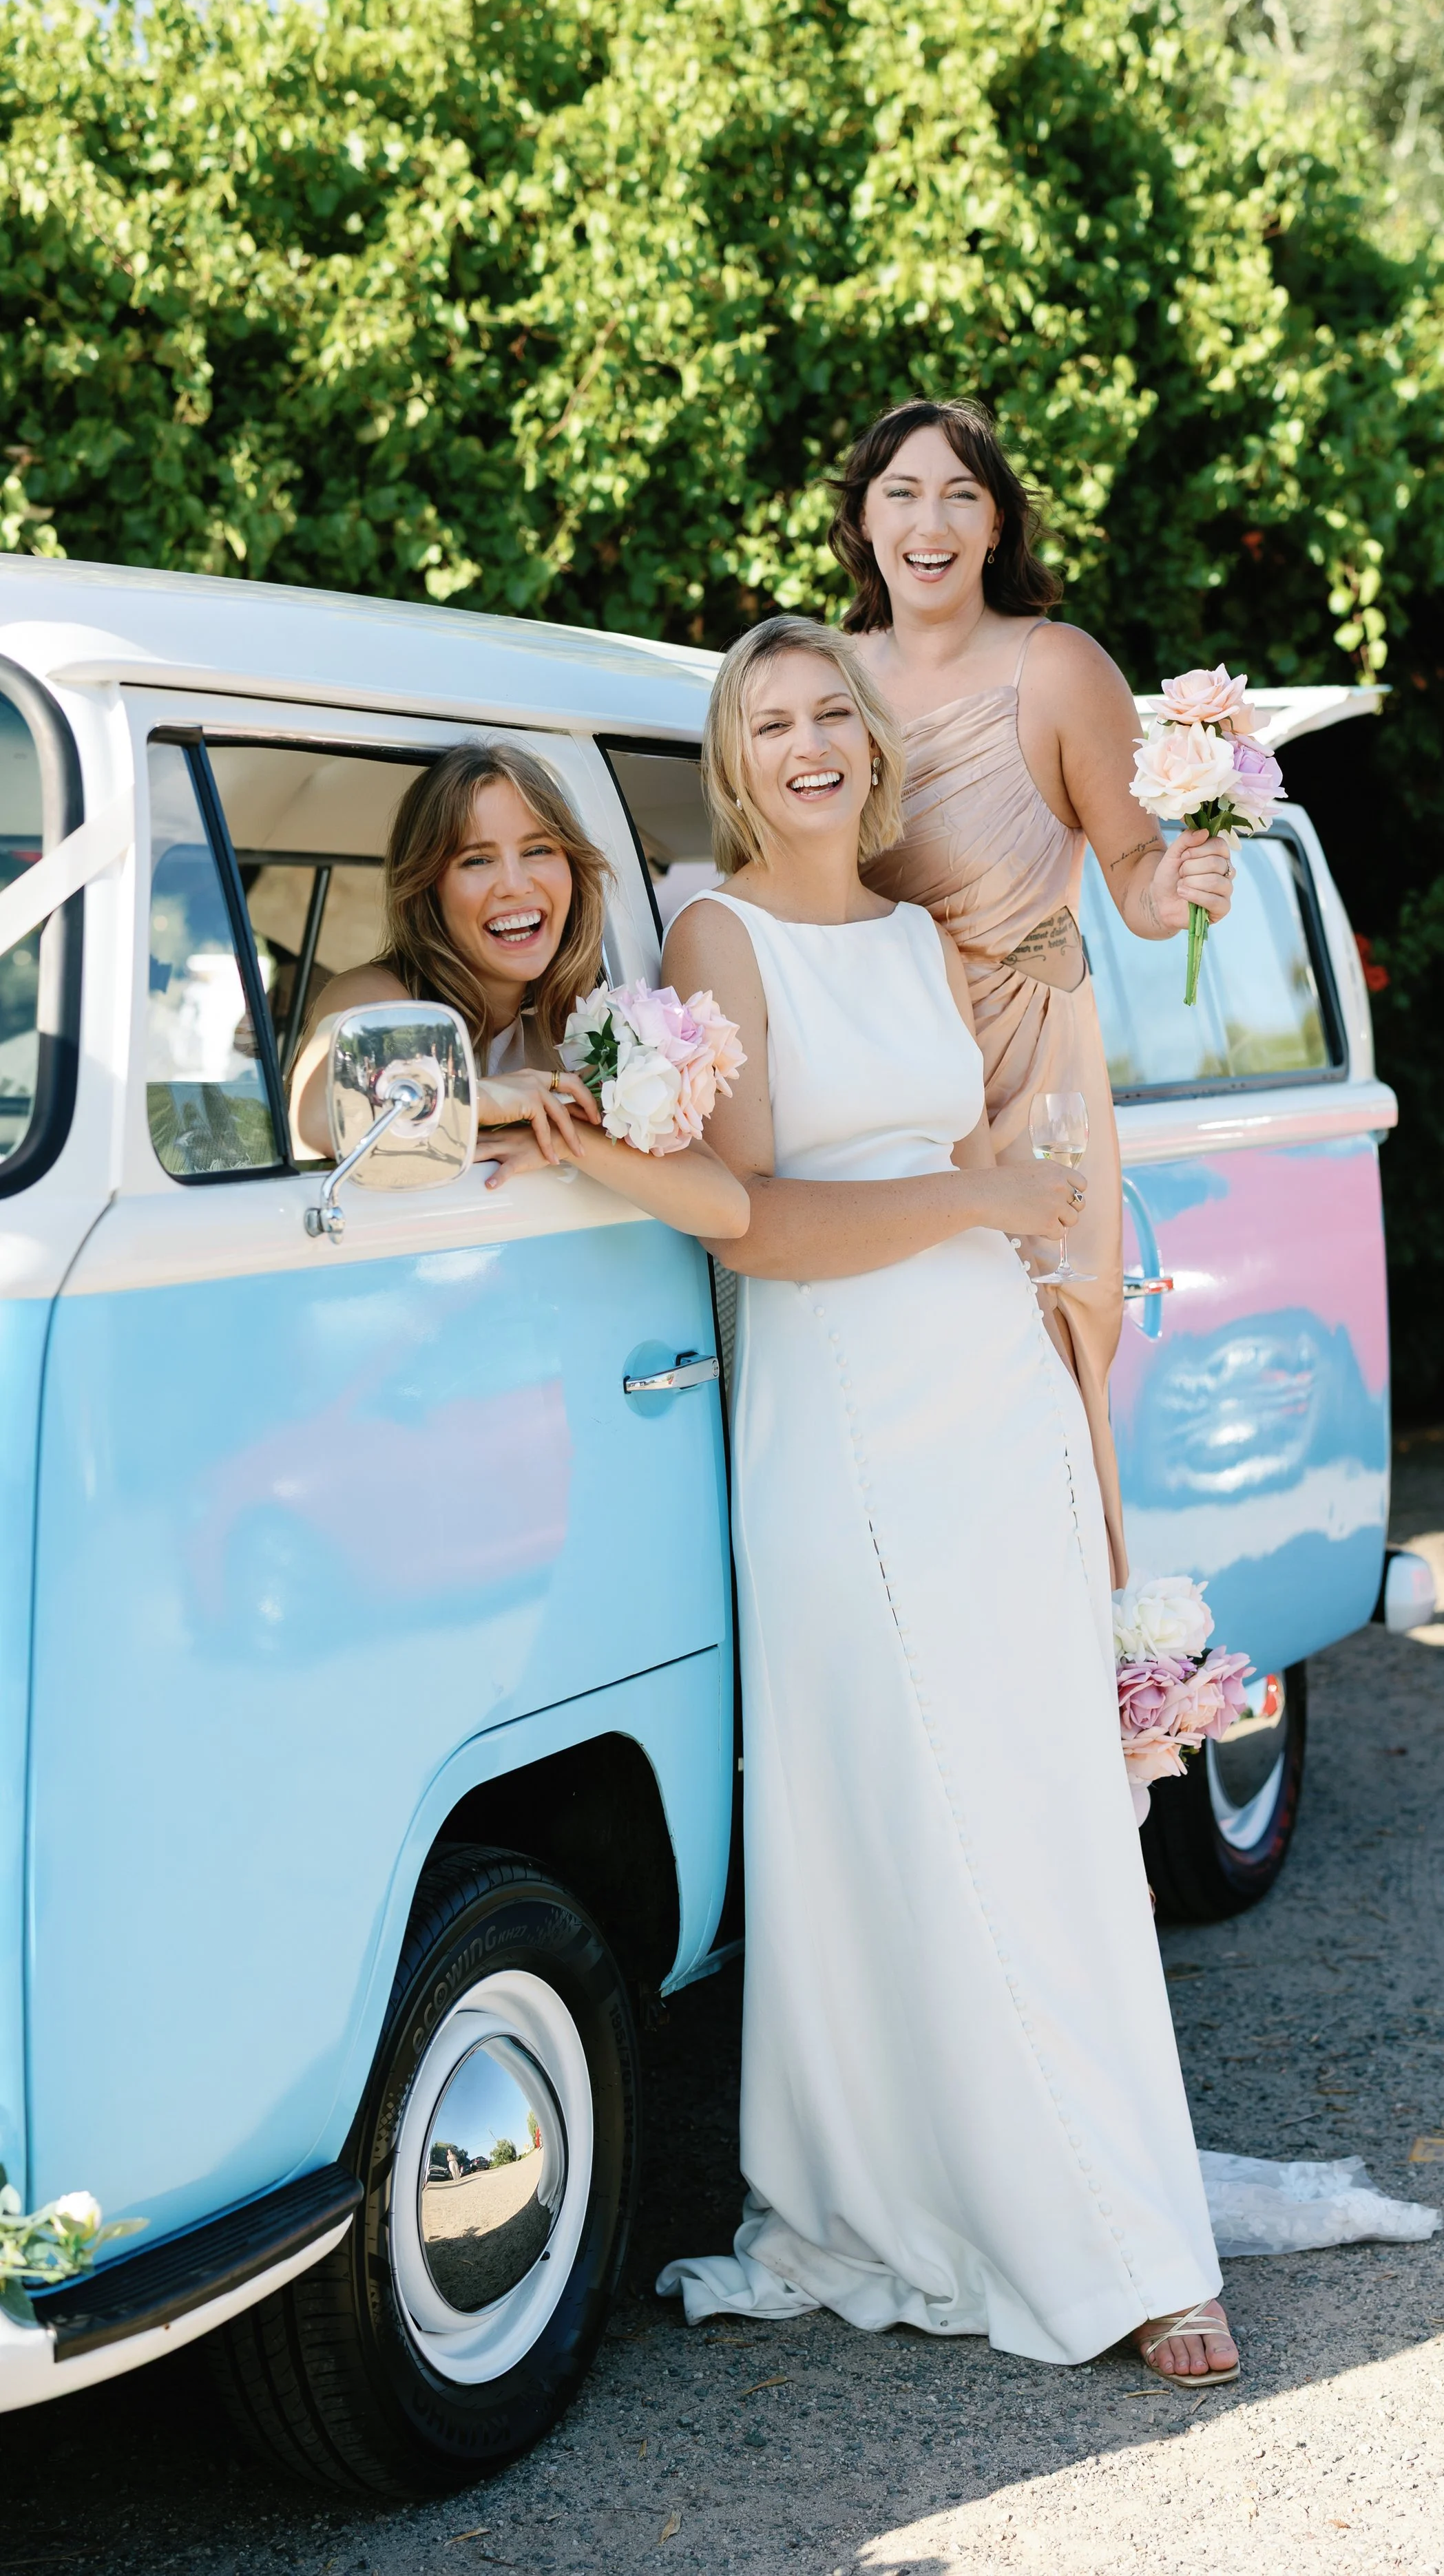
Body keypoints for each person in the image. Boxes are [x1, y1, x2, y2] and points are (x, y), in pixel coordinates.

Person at [655, 617, 1237, 2386]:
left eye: (836, 709)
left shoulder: (920, 930)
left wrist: (1002, 1202)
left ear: (871, 746)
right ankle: (1106, 2242)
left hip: (992, 1402)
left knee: (1047, 1803)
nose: (813, 741)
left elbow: (1026, 1070)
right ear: (734, 761)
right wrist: (972, 1194)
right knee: (923, 1817)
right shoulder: (712, 931)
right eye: (774, 721)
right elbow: (754, 1219)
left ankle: (1091, 2192)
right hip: (842, 1423)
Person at [834, 399, 1236, 1585]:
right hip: (877, 1081)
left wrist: (1182, 880)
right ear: (863, 520)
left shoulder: (1058, 666)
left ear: (997, 521)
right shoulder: (827, 676)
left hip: (1026, 1073)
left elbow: (1132, 883)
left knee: (1028, 1400)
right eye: (901, 492)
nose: (931, 520)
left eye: (961, 493)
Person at [291, 739, 749, 1241]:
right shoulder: (379, 995)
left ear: (572, 870)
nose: (514, 884)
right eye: (476, 860)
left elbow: (727, 1212)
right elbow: (316, 1117)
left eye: (537, 851)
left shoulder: (578, 1031)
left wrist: (564, 1138)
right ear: (428, 889)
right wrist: (482, 1099)